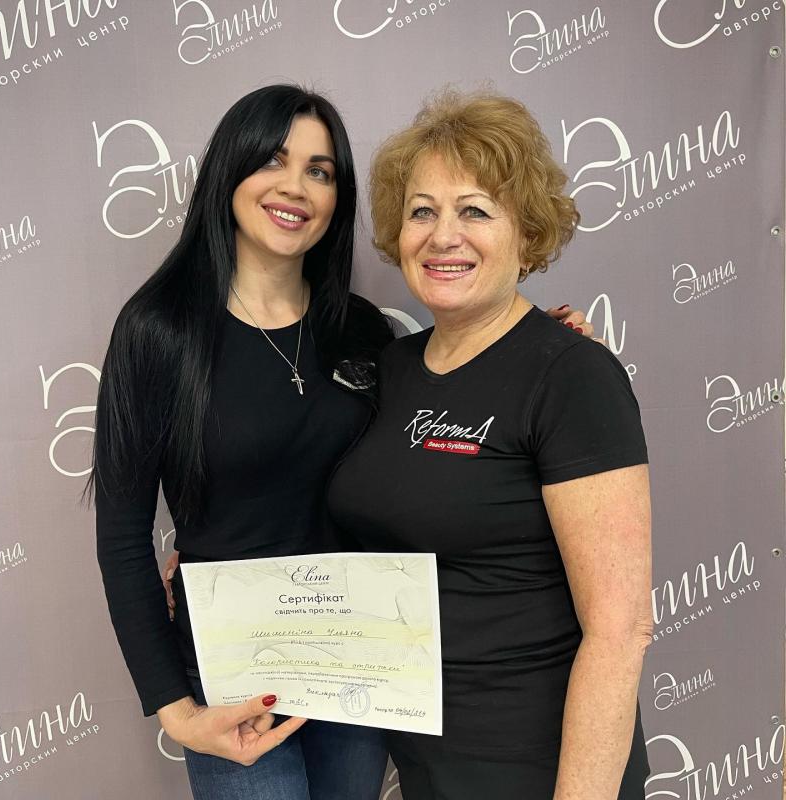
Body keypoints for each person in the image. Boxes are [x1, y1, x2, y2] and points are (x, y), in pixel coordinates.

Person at [94, 84, 593, 800]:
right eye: (273, 160)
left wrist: (538, 348)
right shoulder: (159, 332)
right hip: (238, 684)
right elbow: (122, 539)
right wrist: (177, 713)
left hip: (358, 671)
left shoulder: (362, 330)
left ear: (339, 197)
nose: (295, 187)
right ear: (229, 171)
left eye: (320, 171)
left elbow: (443, 420)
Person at [326, 90, 652, 800]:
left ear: (526, 233)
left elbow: (620, 629)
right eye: (422, 211)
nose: (444, 236)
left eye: (475, 210)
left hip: (540, 769)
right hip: (425, 763)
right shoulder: (391, 370)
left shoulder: (571, 374)